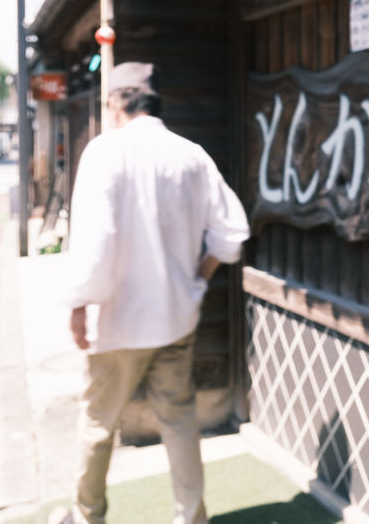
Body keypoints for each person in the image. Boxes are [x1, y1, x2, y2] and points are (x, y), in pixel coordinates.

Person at [49, 62, 250, 524]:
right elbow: (231, 233)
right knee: (178, 419)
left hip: (119, 320)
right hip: (175, 316)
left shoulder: (105, 152)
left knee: (100, 424)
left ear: (117, 101)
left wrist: (79, 303)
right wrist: (197, 277)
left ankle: (88, 516)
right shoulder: (191, 154)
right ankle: (191, 515)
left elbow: (95, 241)